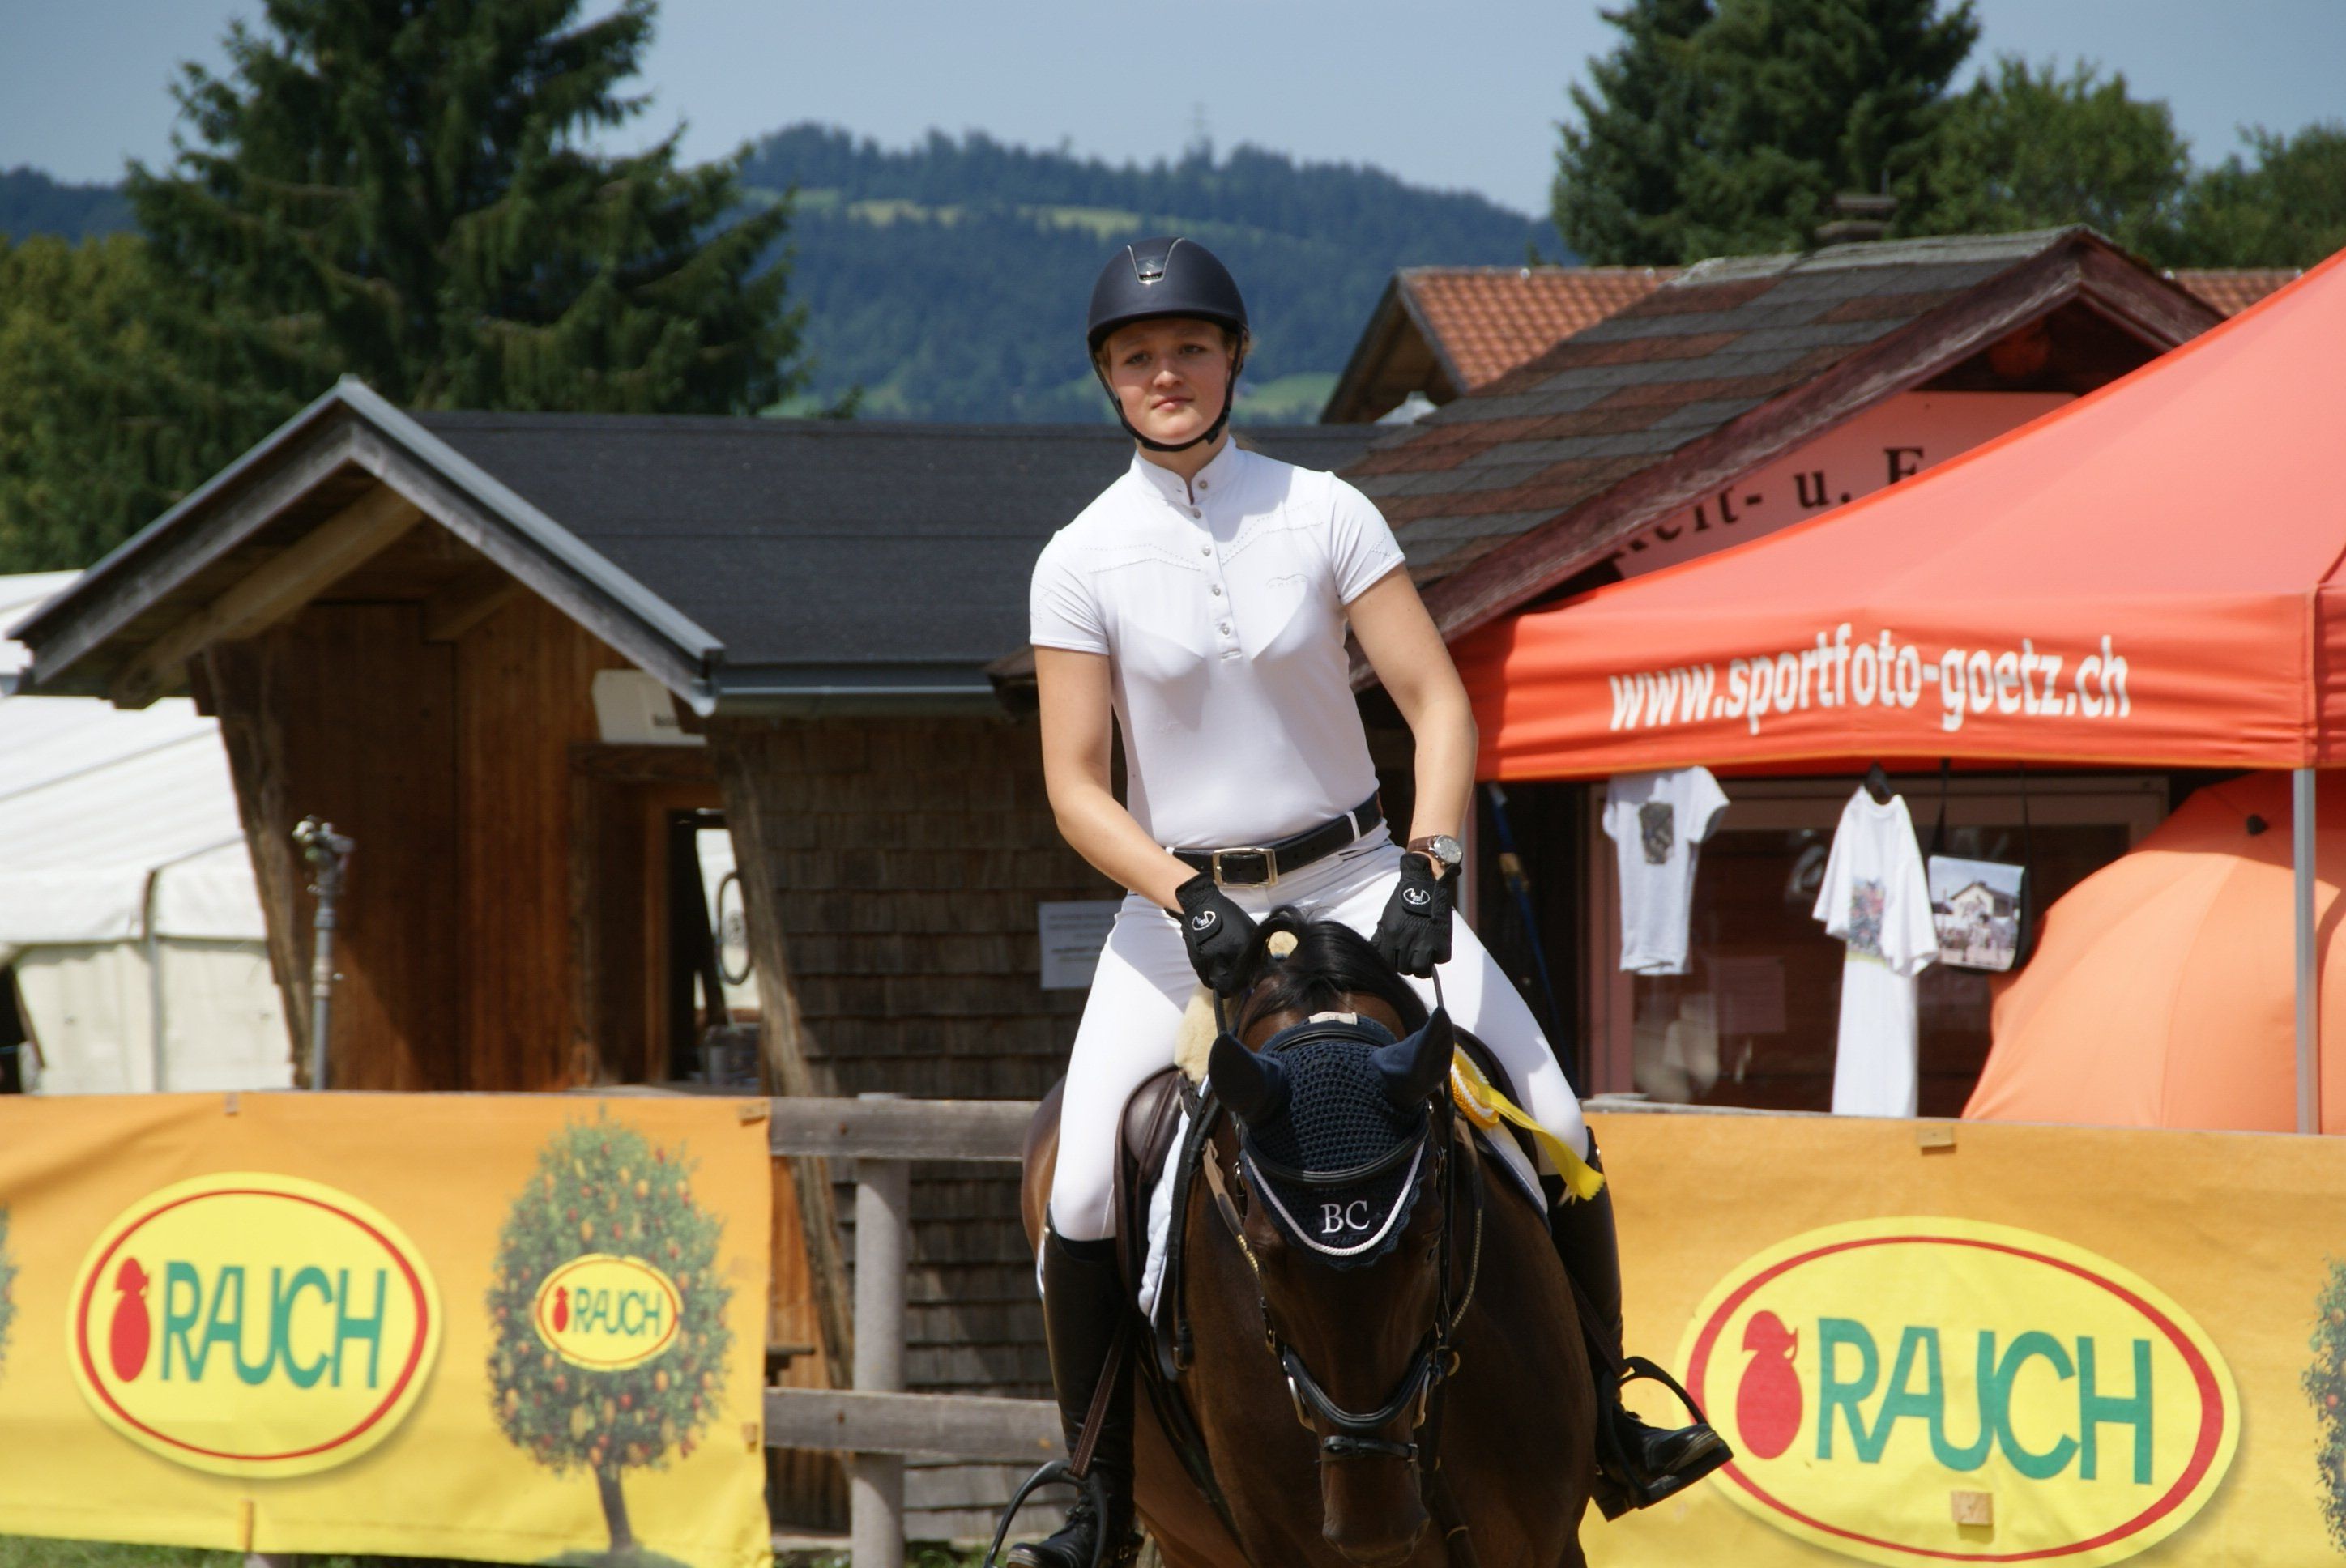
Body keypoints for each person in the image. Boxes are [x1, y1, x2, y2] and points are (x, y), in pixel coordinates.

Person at [1013, 236, 1727, 1568]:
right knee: (1085, 1197)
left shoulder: (1326, 511)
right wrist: (1183, 894)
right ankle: (1099, 1500)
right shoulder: (1079, 558)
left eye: (1188, 348)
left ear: (1234, 357)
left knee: (1559, 1123)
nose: (1165, 373)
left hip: (1356, 877)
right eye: (1137, 356)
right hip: (1182, 920)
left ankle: (1611, 1425)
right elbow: (1073, 785)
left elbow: (1438, 704)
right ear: (1108, 377)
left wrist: (1431, 864)